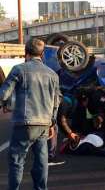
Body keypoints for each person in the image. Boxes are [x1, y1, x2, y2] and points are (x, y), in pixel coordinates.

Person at [0, 38, 61, 190]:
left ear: (25, 53)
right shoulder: (52, 74)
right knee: (41, 160)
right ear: (42, 55)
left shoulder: (19, 69)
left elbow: (3, 94)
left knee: (17, 160)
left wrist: (5, 104)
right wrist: (52, 122)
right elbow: (56, 100)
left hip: (24, 122)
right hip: (44, 124)